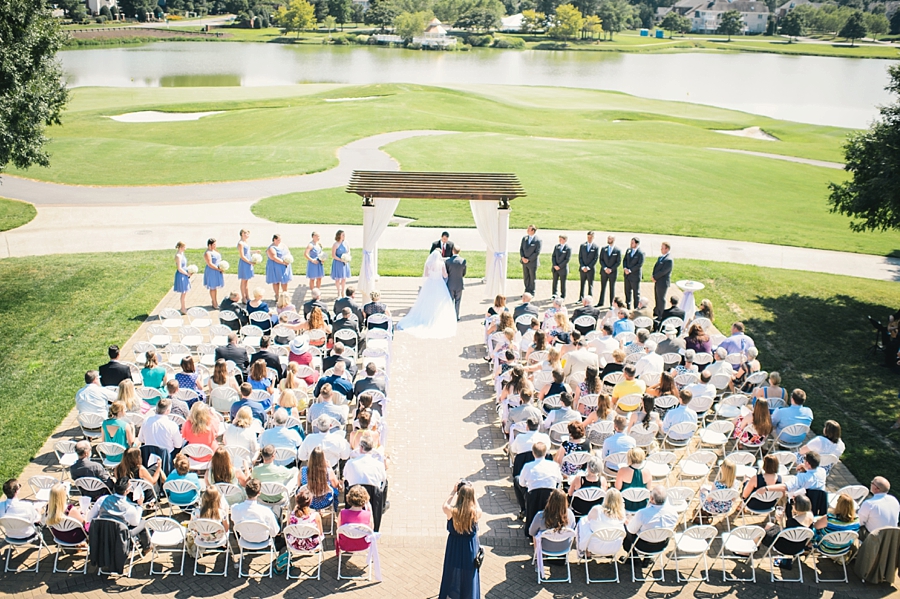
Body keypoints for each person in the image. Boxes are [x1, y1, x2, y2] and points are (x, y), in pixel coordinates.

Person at [397, 249, 458, 338]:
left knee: (427, 300)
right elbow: (445, 275)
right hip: (439, 284)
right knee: (439, 302)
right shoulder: (441, 264)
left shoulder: (428, 264)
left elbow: (426, 274)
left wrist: (432, 274)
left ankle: (426, 317)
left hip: (430, 283)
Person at [438, 481, 482, 599]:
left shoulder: (452, 512)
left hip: (454, 546)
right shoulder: (476, 513)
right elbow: (478, 507)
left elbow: (444, 505)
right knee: (469, 574)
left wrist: (453, 491)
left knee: (451, 571)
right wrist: (473, 494)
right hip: (470, 547)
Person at [87, 476, 151, 553]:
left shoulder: (102, 500)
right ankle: (147, 547)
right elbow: (135, 523)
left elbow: (90, 518)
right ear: (127, 491)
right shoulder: (129, 508)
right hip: (119, 535)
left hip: (103, 533)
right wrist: (140, 505)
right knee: (142, 522)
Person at [763, 494, 814, 570]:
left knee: (765, 530)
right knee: (769, 525)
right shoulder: (810, 515)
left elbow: (783, 533)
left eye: (793, 504)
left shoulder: (792, 522)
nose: (792, 505)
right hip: (799, 546)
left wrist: (780, 520)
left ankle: (755, 547)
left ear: (797, 507)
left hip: (786, 547)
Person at [623, 486, 677, 554]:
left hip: (642, 545)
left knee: (627, 527)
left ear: (651, 498)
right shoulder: (673, 512)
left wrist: (627, 522)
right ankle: (647, 559)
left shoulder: (642, 513)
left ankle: (634, 558)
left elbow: (631, 530)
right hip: (662, 544)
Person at [577, 488, 626, 558]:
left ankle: (585, 551)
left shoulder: (597, 510)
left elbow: (588, 519)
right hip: (614, 547)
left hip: (595, 546)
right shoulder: (622, 514)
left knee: (582, 521)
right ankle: (609, 554)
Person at [232, 479, 280, 543]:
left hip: (245, 538)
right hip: (263, 539)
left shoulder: (235, 508)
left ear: (245, 491)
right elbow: (274, 532)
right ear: (259, 493)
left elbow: (236, 525)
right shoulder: (266, 511)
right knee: (277, 508)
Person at [335, 485, 373, 555]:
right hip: (363, 544)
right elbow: (371, 530)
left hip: (345, 544)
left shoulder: (343, 513)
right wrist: (369, 510)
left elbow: (338, 528)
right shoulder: (368, 515)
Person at [300, 446, 341, 510]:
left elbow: (299, 485)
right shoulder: (328, 471)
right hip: (325, 501)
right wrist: (330, 467)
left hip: (308, 501)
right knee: (334, 490)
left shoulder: (303, 470)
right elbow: (336, 485)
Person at [286, 487, 324, 552]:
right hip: (311, 544)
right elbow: (320, 533)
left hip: (295, 544)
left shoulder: (290, 515)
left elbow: (287, 531)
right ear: (309, 502)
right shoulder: (315, 515)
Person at [615, 447, 648, 511]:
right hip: (642, 505)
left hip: (625, 504)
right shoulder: (647, 472)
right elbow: (648, 489)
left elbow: (617, 487)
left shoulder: (622, 471)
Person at [651, 242, 673, 321]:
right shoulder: (661, 257)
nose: (661, 249)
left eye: (662, 248)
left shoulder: (669, 260)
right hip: (657, 281)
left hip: (663, 282)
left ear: (667, 249)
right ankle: (657, 311)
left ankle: (661, 314)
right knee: (657, 297)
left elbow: (663, 271)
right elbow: (656, 267)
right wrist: (653, 275)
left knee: (661, 298)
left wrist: (655, 277)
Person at [237, 229, 260, 303]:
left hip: (248, 261)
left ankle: (247, 296)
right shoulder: (240, 243)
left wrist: (255, 251)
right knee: (243, 280)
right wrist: (249, 262)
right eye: (246, 233)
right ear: (242, 234)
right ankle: (243, 297)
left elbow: (247, 251)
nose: (247, 235)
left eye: (248, 234)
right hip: (244, 263)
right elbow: (242, 255)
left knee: (247, 281)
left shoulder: (245, 242)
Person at [265, 234, 293, 298]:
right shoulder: (271, 248)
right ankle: (277, 295)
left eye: (280, 239)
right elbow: (274, 257)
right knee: (276, 281)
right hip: (275, 266)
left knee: (285, 280)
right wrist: (283, 262)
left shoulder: (283, 245)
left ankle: (285, 294)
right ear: (274, 239)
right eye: (278, 240)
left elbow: (288, 252)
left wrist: (288, 259)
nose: (279, 241)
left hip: (284, 265)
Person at [203, 238, 225, 310]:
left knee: (215, 287)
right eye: (214, 244)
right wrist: (218, 269)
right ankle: (214, 302)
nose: (215, 245)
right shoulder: (208, 253)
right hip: (212, 271)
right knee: (213, 287)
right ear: (210, 245)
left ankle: (215, 301)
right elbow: (209, 263)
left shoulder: (215, 251)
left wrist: (222, 267)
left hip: (217, 270)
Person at [622, 237, 644, 310]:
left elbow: (639, 264)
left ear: (637, 244)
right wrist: (625, 268)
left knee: (635, 293)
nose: (631, 244)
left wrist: (630, 270)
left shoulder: (641, 253)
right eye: (631, 242)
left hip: (635, 275)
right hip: (627, 275)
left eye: (632, 243)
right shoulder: (628, 250)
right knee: (627, 291)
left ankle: (636, 308)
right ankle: (628, 306)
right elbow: (624, 260)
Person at [445, 246, 467, 322]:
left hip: (450, 284)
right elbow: (464, 273)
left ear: (452, 251)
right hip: (459, 284)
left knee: (450, 301)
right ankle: (456, 315)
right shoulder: (463, 261)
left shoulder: (448, 261)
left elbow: (446, 273)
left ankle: (449, 315)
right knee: (458, 301)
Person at [519, 225, 542, 296]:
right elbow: (521, 249)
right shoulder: (524, 238)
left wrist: (528, 259)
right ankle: (526, 290)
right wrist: (523, 257)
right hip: (524, 261)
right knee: (526, 276)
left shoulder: (538, 240)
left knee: (532, 277)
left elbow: (537, 252)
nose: (527, 230)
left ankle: (532, 291)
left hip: (532, 262)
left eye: (529, 229)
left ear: (533, 231)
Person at [578, 231, 599, 302]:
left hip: (590, 269)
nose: (589, 239)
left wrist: (588, 267)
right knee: (582, 284)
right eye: (588, 237)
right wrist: (583, 266)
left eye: (591, 237)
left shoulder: (596, 247)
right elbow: (580, 257)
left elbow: (595, 258)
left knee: (590, 285)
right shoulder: (582, 246)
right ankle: (581, 298)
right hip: (582, 269)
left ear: (593, 237)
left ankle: (590, 299)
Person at [331, 229, 352, 299]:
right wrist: (341, 259)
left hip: (344, 263)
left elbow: (348, 251)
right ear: (339, 236)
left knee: (344, 278)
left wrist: (346, 258)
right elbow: (333, 255)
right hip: (338, 263)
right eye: (342, 235)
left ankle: (343, 292)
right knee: (338, 279)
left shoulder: (346, 243)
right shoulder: (335, 244)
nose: (344, 236)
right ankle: (338, 292)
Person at [173, 241, 192, 314]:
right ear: (180, 247)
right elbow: (179, 268)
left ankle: (183, 307)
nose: (185, 248)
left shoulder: (182, 254)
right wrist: (187, 274)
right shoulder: (178, 256)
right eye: (184, 247)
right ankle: (183, 308)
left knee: (185, 292)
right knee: (183, 292)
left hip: (184, 273)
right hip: (181, 275)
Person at [551, 234, 571, 300]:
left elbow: (567, 259)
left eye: (561, 239)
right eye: (559, 239)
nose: (559, 240)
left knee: (563, 283)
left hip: (563, 269)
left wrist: (559, 266)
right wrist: (555, 265)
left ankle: (563, 295)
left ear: (565, 240)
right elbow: (553, 256)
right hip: (555, 268)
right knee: (554, 281)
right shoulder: (557, 247)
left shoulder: (568, 248)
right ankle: (554, 294)